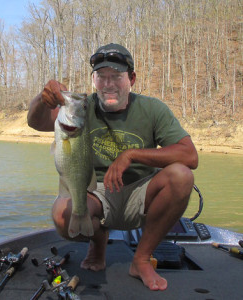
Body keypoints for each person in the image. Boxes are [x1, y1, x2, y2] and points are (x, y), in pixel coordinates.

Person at [27, 43, 198, 291]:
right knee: (62, 215)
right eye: (101, 77)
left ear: (132, 79)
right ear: (93, 80)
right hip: (95, 192)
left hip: (141, 191)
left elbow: (190, 156)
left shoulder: (153, 109)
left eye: (116, 76)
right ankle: (98, 244)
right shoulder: (80, 108)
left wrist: (132, 155)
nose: (108, 84)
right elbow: (36, 122)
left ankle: (140, 260)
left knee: (182, 176)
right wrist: (43, 100)